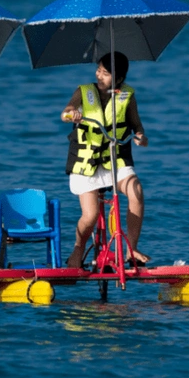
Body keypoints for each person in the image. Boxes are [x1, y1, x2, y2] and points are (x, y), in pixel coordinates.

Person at [61, 52, 149, 268]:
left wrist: (140, 136)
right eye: (98, 70)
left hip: (115, 160)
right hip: (86, 162)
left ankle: (132, 249)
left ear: (119, 78)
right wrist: (72, 114)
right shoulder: (84, 92)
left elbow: (137, 125)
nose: (99, 76)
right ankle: (78, 248)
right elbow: (65, 113)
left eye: (106, 73)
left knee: (136, 191)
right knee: (90, 216)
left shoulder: (127, 96)